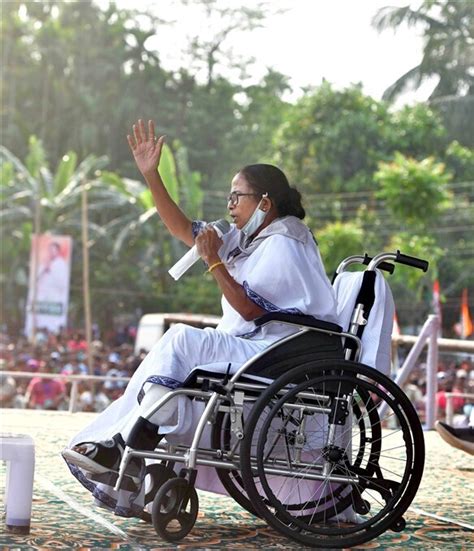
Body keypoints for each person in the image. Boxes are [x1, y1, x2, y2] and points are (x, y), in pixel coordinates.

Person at [62, 119, 339, 518]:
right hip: (255, 348)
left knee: (182, 340)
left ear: (264, 202)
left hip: (276, 351)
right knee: (180, 351)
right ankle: (131, 447)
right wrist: (151, 175)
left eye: (236, 197)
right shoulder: (249, 239)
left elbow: (249, 309)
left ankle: (129, 445)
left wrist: (213, 261)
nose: (229, 205)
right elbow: (181, 229)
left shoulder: (285, 240)